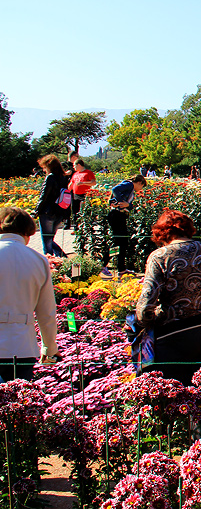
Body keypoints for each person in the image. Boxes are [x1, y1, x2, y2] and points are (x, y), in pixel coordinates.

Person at [135, 209, 201, 385]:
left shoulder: (160, 257)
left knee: (175, 395)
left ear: (162, 232)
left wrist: (144, 324)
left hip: (174, 335)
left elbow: (145, 307)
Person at [0, 207, 59, 382]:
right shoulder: (38, 260)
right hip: (21, 347)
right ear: (28, 233)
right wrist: (49, 348)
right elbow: (47, 312)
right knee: (17, 404)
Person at [101, 174, 147, 277]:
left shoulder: (129, 188)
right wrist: (122, 202)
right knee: (118, 241)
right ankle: (103, 264)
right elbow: (115, 189)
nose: (140, 190)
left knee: (123, 243)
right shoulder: (129, 185)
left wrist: (127, 204)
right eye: (142, 186)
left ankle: (121, 268)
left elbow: (129, 206)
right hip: (116, 215)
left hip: (120, 215)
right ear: (140, 183)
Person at [34, 155, 70, 257]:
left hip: (47, 212)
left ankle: (50, 263)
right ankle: (62, 257)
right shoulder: (63, 178)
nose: (44, 170)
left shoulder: (50, 177)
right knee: (50, 239)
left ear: (49, 166)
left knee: (46, 241)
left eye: (44, 167)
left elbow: (43, 196)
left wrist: (36, 211)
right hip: (59, 211)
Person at [69, 159, 96, 230]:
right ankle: (76, 228)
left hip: (85, 194)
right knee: (75, 211)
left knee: (84, 211)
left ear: (79, 165)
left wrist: (83, 183)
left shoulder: (88, 173)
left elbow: (93, 182)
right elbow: (72, 183)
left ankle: (85, 227)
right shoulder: (75, 174)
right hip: (75, 194)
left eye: (74, 165)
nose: (73, 167)